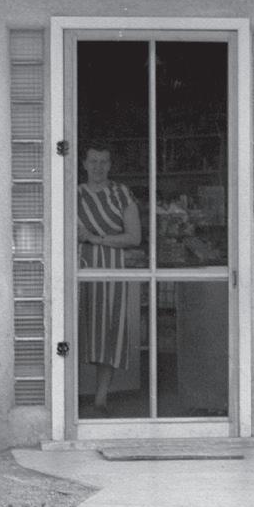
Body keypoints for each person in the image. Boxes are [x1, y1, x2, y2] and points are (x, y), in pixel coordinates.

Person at [77, 145, 142, 413]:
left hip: (112, 268)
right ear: (83, 163)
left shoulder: (121, 193)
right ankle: (70, 399)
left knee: (108, 331)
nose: (98, 167)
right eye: (93, 161)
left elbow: (134, 237)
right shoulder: (73, 194)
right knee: (77, 327)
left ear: (110, 164)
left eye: (104, 161)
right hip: (78, 266)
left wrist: (96, 239)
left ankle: (100, 399)